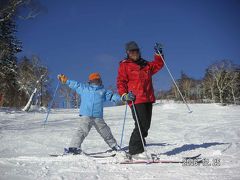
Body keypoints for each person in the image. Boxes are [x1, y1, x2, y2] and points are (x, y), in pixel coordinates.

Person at [117, 41, 164, 158]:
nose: (134, 53)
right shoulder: (125, 65)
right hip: (135, 99)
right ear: (127, 53)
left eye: (136, 51)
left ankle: (140, 147)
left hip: (148, 98)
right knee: (141, 124)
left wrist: (159, 54)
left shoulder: (146, 65)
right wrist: (124, 95)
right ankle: (134, 151)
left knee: (146, 126)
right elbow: (121, 82)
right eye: (131, 51)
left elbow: (159, 65)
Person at [57, 72, 121, 154]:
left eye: (97, 80)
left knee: (105, 131)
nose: (96, 81)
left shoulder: (103, 91)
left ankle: (114, 146)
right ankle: (73, 147)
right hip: (86, 115)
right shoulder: (85, 88)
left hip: (98, 116)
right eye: (94, 80)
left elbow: (112, 96)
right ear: (90, 81)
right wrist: (66, 81)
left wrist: (122, 98)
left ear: (100, 80)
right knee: (82, 131)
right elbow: (76, 85)